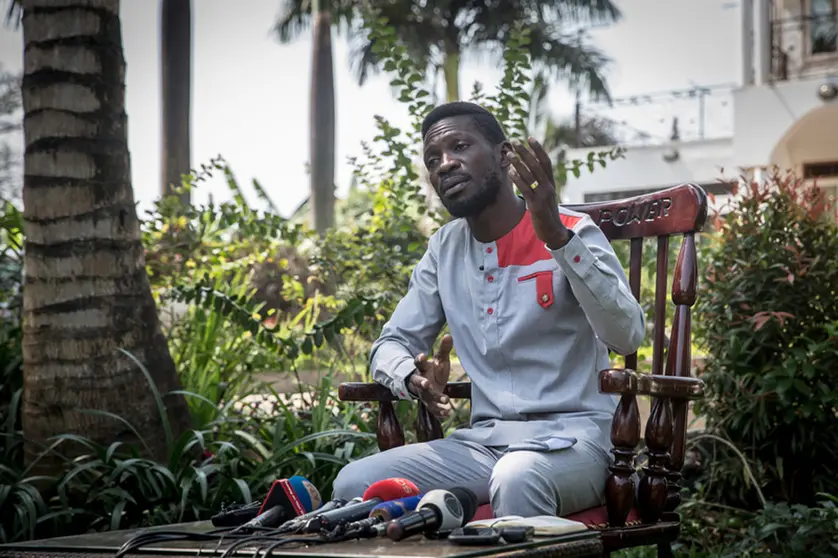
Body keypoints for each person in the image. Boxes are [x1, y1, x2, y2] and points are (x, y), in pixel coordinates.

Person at [332, 101, 645, 518]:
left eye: (459, 146)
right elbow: (391, 343)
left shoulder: (571, 230)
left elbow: (626, 335)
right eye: (432, 159)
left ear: (503, 156)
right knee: (353, 483)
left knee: (518, 476)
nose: (444, 165)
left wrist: (555, 237)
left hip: (578, 440)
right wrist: (412, 379)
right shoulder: (445, 250)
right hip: (485, 444)